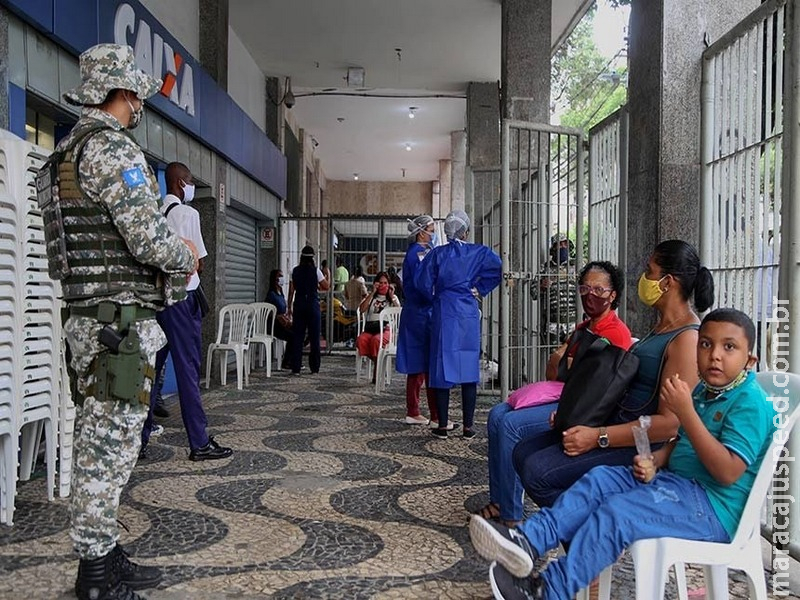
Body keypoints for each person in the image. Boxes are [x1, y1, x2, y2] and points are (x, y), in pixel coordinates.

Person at [469, 308, 776, 600]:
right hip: (675, 484)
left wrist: (686, 412)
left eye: (729, 347)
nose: (715, 355)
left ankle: (549, 590)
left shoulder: (749, 403)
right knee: (601, 479)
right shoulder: (705, 389)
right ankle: (529, 540)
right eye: (706, 344)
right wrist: (656, 460)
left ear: (750, 360)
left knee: (619, 513)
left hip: (711, 508)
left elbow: (727, 472)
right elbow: (681, 443)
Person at [38, 44, 198, 600]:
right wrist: (184, 254)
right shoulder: (112, 151)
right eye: (135, 96)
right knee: (107, 451)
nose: (138, 107)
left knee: (98, 441)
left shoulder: (63, 155)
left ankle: (105, 552)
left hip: (88, 322)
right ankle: (96, 577)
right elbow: (148, 240)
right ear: (124, 94)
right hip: (119, 327)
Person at [512, 240, 715, 509]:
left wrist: (598, 437)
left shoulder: (686, 339)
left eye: (649, 271)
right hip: (616, 422)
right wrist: (576, 415)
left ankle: (592, 538)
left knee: (539, 472)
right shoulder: (661, 328)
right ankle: (584, 531)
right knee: (522, 452)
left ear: (667, 282)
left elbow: (669, 425)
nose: (644, 278)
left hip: (643, 445)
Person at [480, 261, 632, 526]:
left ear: (613, 294)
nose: (590, 295)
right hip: (565, 394)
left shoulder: (615, 333)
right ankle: (500, 499)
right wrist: (567, 359)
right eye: (585, 288)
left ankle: (512, 512)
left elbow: (594, 383)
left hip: (582, 407)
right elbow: (556, 370)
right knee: (496, 415)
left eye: (599, 289)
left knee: (509, 425)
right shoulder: (583, 328)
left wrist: (566, 359)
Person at [139, 162, 233, 462]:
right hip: (183, 298)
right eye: (190, 181)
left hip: (158, 301)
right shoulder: (187, 214)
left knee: (151, 373)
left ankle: (139, 441)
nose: (192, 186)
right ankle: (199, 441)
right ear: (181, 183)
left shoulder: (154, 214)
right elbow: (199, 261)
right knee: (188, 371)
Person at [417, 210, 502, 439]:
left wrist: (434, 294)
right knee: (468, 368)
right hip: (467, 311)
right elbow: (498, 268)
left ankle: (443, 425)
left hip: (444, 311)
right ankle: (468, 427)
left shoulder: (437, 255)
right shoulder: (479, 252)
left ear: (446, 230)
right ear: (466, 230)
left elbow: (422, 282)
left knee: (442, 368)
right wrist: (479, 288)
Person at [396, 215, 439, 426]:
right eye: (431, 229)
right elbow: (424, 286)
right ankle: (431, 413)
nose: (434, 232)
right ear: (422, 232)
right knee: (425, 364)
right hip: (421, 313)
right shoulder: (418, 255)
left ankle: (416, 410)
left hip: (417, 312)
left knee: (418, 364)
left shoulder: (419, 253)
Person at [531, 233, 578, 352]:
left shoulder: (576, 266)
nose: (563, 247)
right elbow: (533, 292)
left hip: (573, 322)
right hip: (552, 322)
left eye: (565, 244)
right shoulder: (545, 268)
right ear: (553, 248)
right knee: (554, 359)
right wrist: (542, 285)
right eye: (560, 244)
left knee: (573, 358)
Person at [287, 245, 329, 374]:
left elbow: (291, 291)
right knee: (314, 336)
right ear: (312, 258)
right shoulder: (316, 271)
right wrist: (328, 274)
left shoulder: (294, 271)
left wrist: (289, 306)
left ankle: (296, 368)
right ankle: (314, 367)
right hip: (312, 305)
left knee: (298, 337)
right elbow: (326, 286)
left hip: (299, 305)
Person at [356, 270, 401, 383]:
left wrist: (391, 297)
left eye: (385, 283)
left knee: (376, 341)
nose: (383, 285)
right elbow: (362, 309)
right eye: (380, 283)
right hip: (371, 328)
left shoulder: (392, 297)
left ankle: (377, 373)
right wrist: (372, 293)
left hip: (385, 329)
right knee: (361, 340)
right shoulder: (371, 297)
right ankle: (379, 364)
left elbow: (398, 311)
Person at [266, 268, 293, 370]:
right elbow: (268, 312)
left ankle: (293, 359)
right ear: (274, 279)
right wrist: (278, 317)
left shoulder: (280, 294)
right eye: (279, 276)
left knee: (298, 331)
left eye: (282, 276)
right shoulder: (271, 295)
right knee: (292, 336)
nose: (281, 278)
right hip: (274, 326)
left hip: (282, 324)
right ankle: (287, 362)